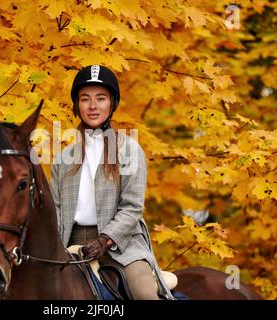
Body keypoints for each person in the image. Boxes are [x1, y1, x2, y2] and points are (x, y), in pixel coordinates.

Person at [50, 65, 175, 300]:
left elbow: (132, 208)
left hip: (122, 246)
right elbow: (55, 211)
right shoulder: (62, 159)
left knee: (144, 294)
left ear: (112, 104)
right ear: (77, 105)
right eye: (85, 99)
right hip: (70, 246)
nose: (93, 106)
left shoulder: (129, 150)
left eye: (101, 98)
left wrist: (105, 239)